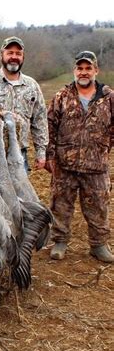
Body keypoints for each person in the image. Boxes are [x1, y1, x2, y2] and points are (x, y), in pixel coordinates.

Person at [47, 51, 114, 263]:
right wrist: (50, 155)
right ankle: (60, 242)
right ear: (74, 70)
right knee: (61, 205)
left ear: (96, 70)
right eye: (80, 68)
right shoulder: (61, 96)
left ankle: (98, 245)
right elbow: (50, 127)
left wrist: (104, 147)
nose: (83, 72)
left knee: (99, 206)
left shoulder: (109, 98)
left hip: (96, 166)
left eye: (88, 68)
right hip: (65, 164)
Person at [0, 36, 48, 171]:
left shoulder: (32, 86)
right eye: (9, 52)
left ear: (23, 57)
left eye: (18, 53)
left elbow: (40, 121)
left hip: (20, 155)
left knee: (21, 192)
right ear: (1, 55)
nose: (14, 57)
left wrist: (41, 152)